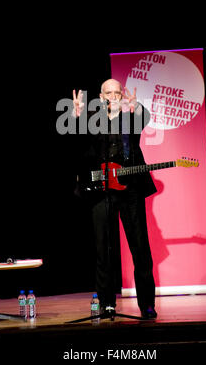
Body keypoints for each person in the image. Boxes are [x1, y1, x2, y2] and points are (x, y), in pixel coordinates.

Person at [72, 79, 157, 319]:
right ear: (101, 97)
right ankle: (107, 303)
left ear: (122, 95)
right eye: (108, 93)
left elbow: (142, 123)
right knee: (103, 250)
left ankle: (147, 305)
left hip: (130, 191)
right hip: (102, 191)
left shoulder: (130, 119)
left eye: (117, 93)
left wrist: (136, 108)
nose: (113, 96)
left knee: (140, 248)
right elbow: (79, 148)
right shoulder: (91, 122)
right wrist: (77, 116)